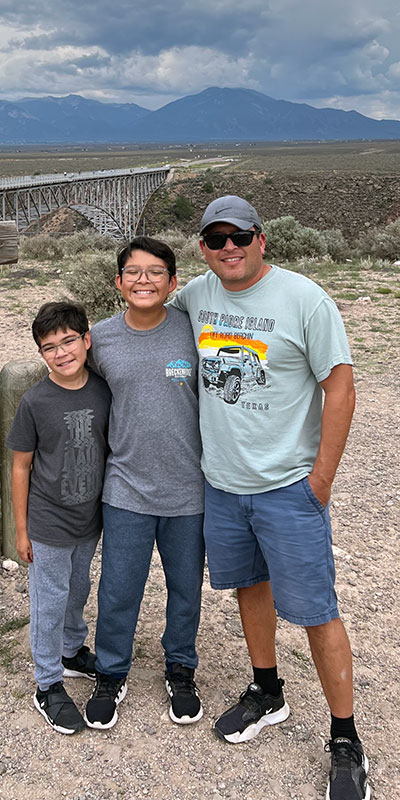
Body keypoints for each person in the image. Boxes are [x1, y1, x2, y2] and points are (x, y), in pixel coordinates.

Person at [171, 196, 369, 800]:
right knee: (248, 588)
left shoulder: (305, 299)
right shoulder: (197, 296)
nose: (229, 248)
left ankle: (344, 736)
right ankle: (267, 690)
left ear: (263, 240)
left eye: (240, 236)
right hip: (223, 485)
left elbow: (339, 385)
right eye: (216, 238)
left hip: (289, 486)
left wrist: (322, 477)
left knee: (315, 609)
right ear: (202, 248)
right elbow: (147, 315)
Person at [84, 235, 205, 731]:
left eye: (156, 272)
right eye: (133, 272)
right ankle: (111, 672)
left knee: (185, 589)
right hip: (126, 487)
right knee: (118, 588)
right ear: (118, 282)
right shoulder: (101, 339)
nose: (144, 281)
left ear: (173, 282)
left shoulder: (194, 331)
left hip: (189, 489)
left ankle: (181, 667)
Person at [6, 301, 111, 735]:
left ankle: (70, 652)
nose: (62, 352)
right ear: (41, 354)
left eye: (69, 340)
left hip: (89, 520)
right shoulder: (35, 401)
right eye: (50, 347)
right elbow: (20, 466)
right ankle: (47, 683)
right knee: (48, 602)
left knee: (78, 589)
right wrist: (22, 529)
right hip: (48, 523)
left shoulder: (103, 390)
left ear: (86, 340)